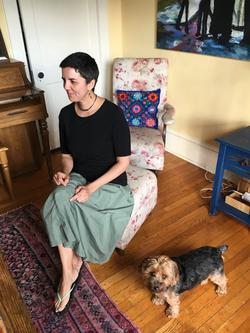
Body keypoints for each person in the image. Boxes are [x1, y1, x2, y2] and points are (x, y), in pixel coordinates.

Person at [41, 52, 134, 313]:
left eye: (73, 81)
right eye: (64, 80)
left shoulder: (113, 115)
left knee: (61, 203)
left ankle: (71, 270)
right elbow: (68, 156)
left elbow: (123, 163)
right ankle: (69, 271)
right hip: (80, 177)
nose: (66, 88)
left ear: (91, 82)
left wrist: (91, 189)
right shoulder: (65, 115)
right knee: (57, 198)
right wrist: (66, 174)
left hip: (110, 185)